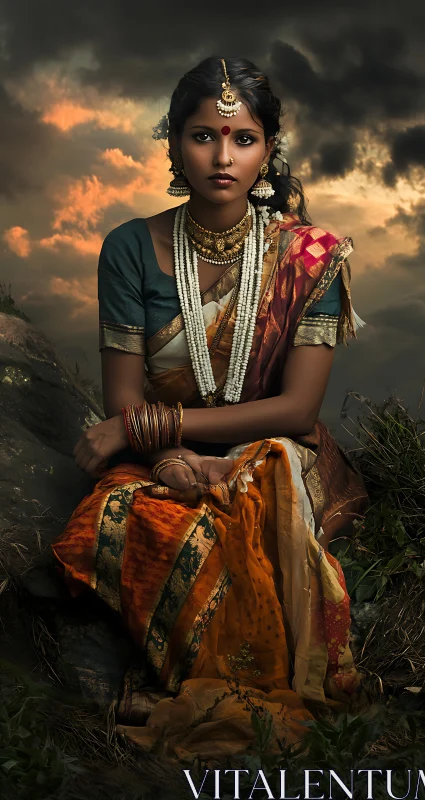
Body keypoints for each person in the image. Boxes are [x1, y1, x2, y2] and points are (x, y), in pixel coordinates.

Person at [52, 56, 369, 762]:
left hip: (271, 455)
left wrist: (143, 429)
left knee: (257, 504)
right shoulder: (131, 249)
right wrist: (167, 457)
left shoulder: (308, 256)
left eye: (244, 139)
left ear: (268, 148)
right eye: (203, 136)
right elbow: (124, 397)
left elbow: (296, 408)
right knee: (113, 515)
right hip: (160, 459)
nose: (223, 157)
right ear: (173, 145)